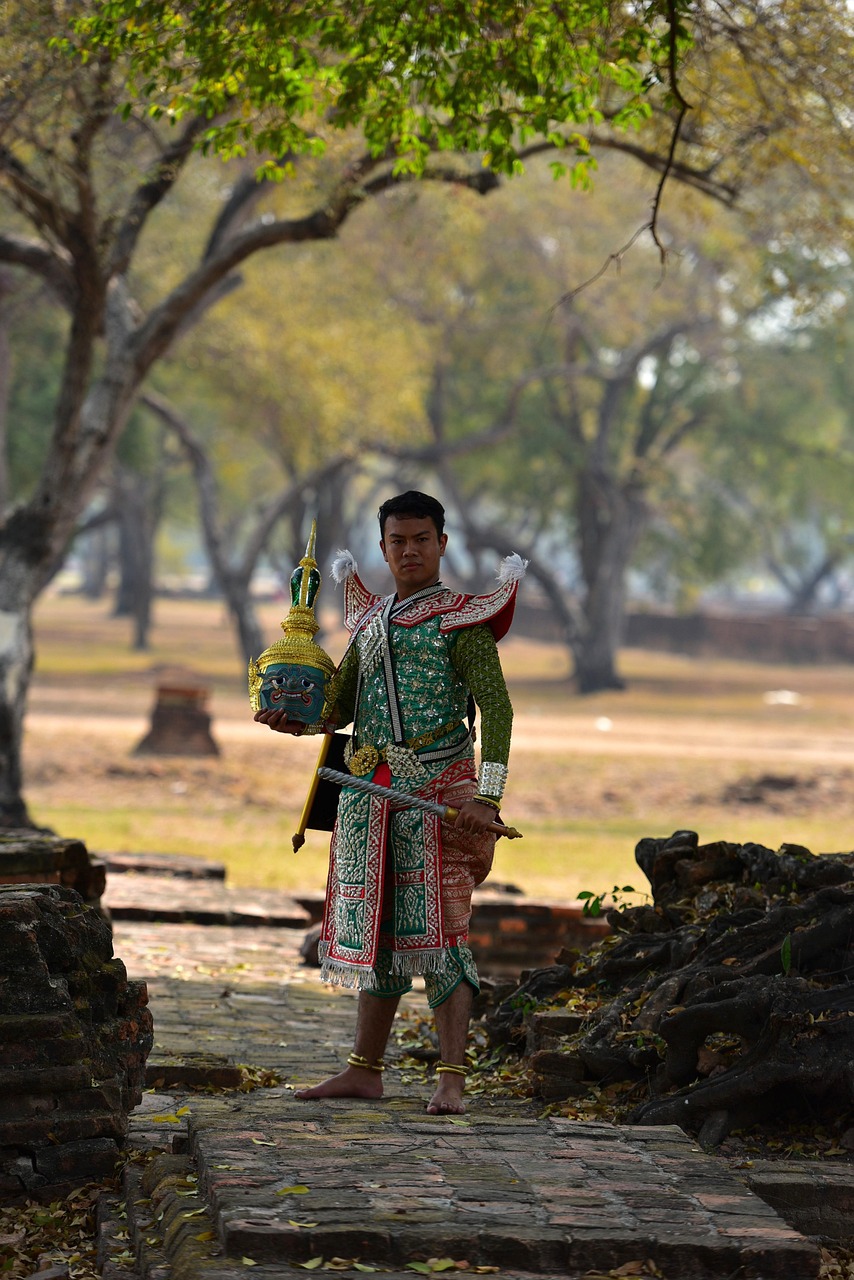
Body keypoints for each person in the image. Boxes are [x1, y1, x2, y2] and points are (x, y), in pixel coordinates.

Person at [255, 491, 524, 1113]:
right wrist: (295, 718)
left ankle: (452, 1078)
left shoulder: (462, 621)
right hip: (370, 795)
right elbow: (340, 707)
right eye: (398, 541)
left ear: (442, 545)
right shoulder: (370, 622)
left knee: (445, 934)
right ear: (383, 547)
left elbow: (499, 711)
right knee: (374, 931)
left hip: (442, 796)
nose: (409, 551)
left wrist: (488, 796)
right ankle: (363, 1071)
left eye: (421, 540)